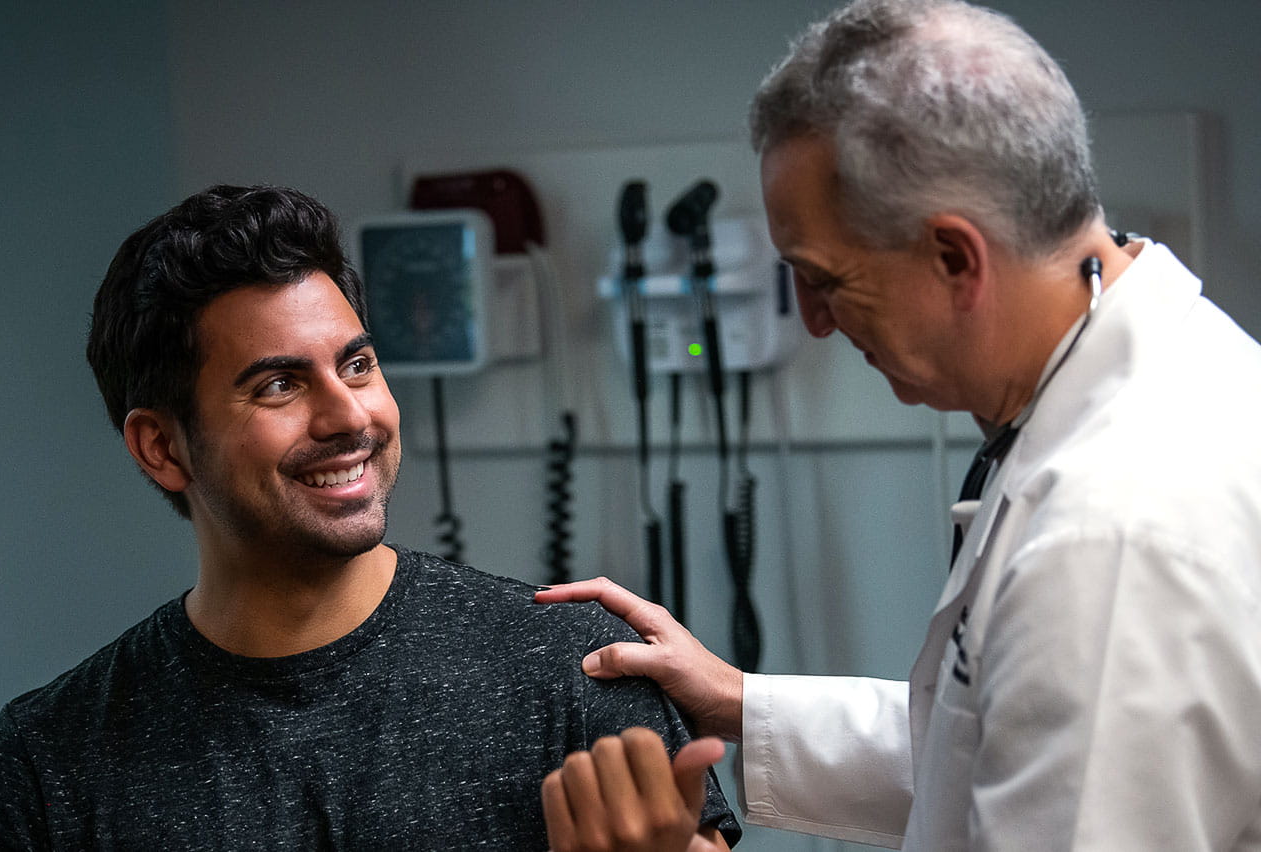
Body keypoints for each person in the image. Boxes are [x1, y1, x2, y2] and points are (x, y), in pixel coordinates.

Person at [538, 0, 1261, 849]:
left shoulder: (1110, 535)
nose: (815, 322)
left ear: (955, 257)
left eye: (825, 280)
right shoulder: (1175, 373)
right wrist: (738, 700)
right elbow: (1000, 749)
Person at [0, 184, 740, 850]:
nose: (349, 416)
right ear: (162, 447)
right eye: (279, 385)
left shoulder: (577, 668)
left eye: (357, 365)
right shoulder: (47, 763)